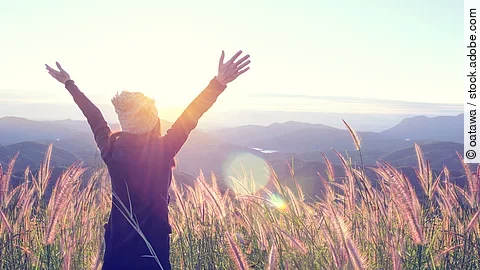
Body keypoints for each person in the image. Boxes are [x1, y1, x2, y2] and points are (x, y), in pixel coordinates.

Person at [45, 50, 251, 269]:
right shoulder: (163, 150)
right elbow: (190, 116)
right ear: (154, 120)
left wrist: (69, 83)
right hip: (154, 247)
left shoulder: (110, 150)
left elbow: (94, 117)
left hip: (117, 246)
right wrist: (218, 83)